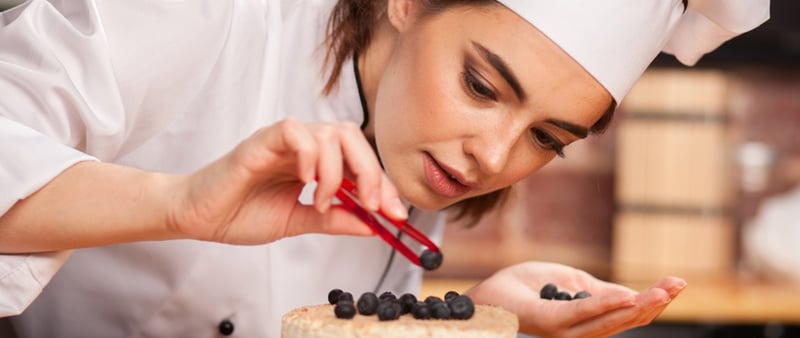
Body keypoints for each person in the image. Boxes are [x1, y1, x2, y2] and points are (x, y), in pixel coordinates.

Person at [0, 0, 768, 337]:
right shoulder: (210, 14)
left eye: (548, 138)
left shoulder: (415, 147)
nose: (494, 157)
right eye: (481, 86)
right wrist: (181, 204)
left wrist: (473, 318)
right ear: (408, 3)